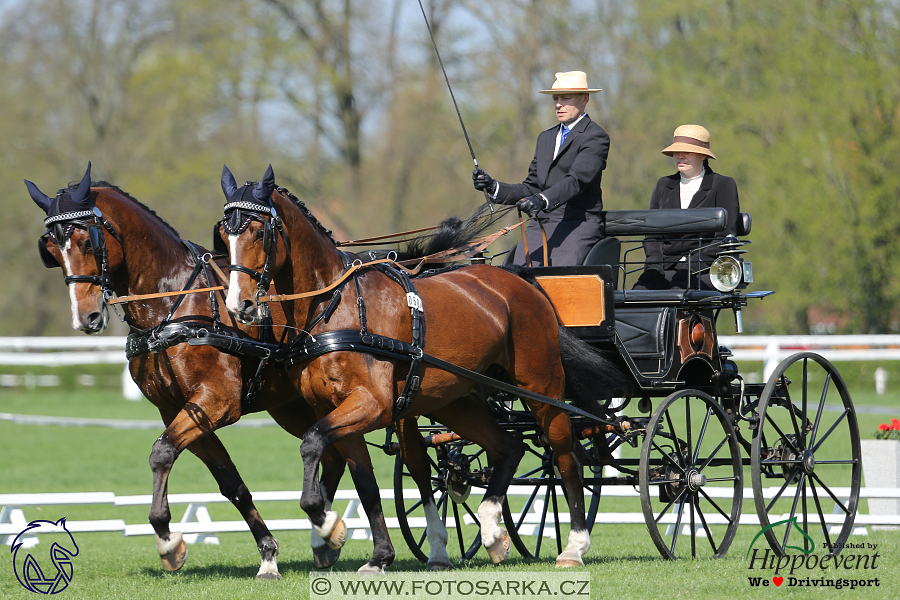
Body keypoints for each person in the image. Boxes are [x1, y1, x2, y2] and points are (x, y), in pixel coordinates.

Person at [472, 71, 609, 266]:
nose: (558, 104)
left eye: (566, 98)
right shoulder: (545, 138)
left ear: (584, 99)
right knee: (516, 279)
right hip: (540, 224)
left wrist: (541, 200)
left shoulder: (595, 137)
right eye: (555, 99)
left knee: (557, 281)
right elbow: (531, 187)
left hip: (577, 224)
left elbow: (577, 180)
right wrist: (493, 186)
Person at [633, 124, 740, 290]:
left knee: (679, 291)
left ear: (703, 156)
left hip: (706, 268)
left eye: (687, 152)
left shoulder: (723, 185)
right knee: (637, 294)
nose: (680, 156)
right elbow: (651, 234)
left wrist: (691, 266)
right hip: (665, 267)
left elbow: (724, 238)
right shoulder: (664, 185)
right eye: (677, 152)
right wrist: (654, 265)